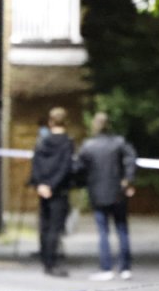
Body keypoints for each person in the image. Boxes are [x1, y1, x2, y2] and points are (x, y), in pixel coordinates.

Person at [75, 112, 137, 281]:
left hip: (97, 193)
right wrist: (128, 180)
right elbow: (131, 159)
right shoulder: (119, 143)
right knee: (122, 229)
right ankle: (125, 268)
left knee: (103, 232)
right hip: (118, 192)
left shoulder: (88, 146)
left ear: (94, 126)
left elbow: (79, 167)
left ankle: (106, 268)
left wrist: (79, 183)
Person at [29, 107, 75, 277]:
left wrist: (41, 184)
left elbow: (36, 163)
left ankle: (45, 259)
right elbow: (65, 167)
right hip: (59, 190)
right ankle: (52, 263)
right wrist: (53, 186)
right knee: (55, 228)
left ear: (50, 122)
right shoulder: (67, 142)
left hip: (43, 190)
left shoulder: (42, 141)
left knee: (45, 225)